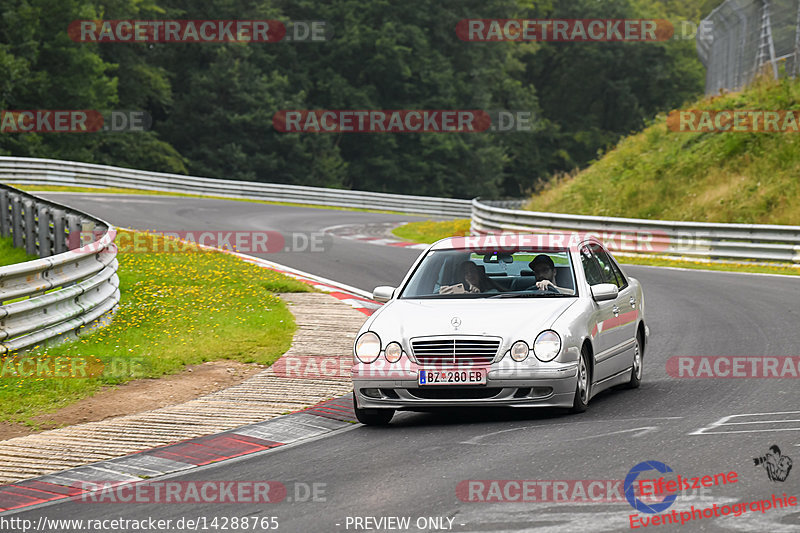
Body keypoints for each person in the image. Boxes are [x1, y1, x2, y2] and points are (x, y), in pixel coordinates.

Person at [439, 260, 504, 294]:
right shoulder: (455, 294)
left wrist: (479, 295)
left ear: (479, 274)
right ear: (461, 277)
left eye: (472, 271)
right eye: (465, 272)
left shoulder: (493, 293)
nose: (470, 274)